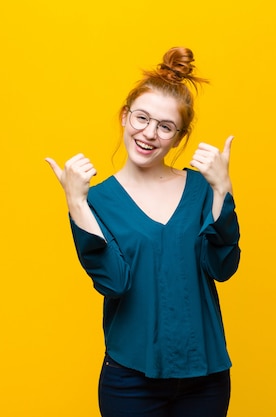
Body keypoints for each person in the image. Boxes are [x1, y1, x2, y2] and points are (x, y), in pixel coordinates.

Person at [45, 47, 241, 417]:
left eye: (165, 126)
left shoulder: (201, 189)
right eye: (142, 118)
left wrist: (221, 191)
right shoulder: (97, 200)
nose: (149, 133)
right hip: (130, 379)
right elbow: (114, 283)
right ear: (124, 116)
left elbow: (222, 266)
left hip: (206, 376)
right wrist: (76, 203)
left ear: (179, 137)